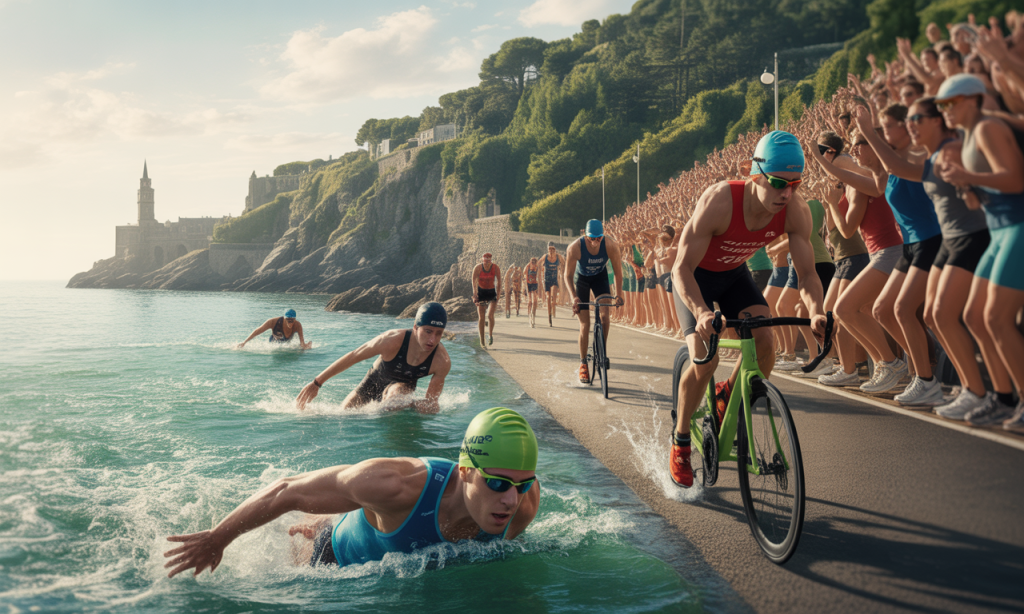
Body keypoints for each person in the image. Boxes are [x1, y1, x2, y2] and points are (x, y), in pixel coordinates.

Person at [163, 407, 540, 576]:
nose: (510, 499)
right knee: (318, 533)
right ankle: (319, 525)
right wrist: (218, 537)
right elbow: (287, 490)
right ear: (466, 472)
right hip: (331, 558)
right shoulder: (395, 485)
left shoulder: (523, 505)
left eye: (521, 486)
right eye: (497, 483)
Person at [670, 130, 827, 488]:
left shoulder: (796, 211)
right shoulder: (720, 201)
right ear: (753, 173)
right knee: (704, 359)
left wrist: (817, 309)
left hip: (734, 276)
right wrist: (701, 312)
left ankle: (728, 396)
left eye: (795, 184)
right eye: (777, 183)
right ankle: (680, 441)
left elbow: (807, 274)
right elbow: (680, 268)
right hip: (695, 279)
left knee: (766, 343)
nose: (786, 193)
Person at [937, 74, 1024, 429]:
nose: (945, 111)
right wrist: (966, 184)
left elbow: (1016, 180)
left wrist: (969, 176)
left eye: (950, 104)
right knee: (974, 316)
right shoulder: (969, 136)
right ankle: (1002, 398)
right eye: (941, 105)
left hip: (1017, 226)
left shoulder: (987, 128)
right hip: (1000, 229)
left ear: (973, 100)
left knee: (996, 318)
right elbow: (983, 195)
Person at [294, 303, 451, 413]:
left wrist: (416, 405)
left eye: (439, 333)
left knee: (396, 398)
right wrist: (317, 383)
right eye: (428, 331)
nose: (433, 340)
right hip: (372, 381)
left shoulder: (441, 361)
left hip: (402, 389)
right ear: (416, 327)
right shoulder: (391, 340)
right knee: (342, 414)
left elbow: (432, 405)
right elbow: (354, 356)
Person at [564, 220, 623, 384]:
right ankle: (583, 363)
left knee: (605, 316)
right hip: (581, 279)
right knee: (585, 324)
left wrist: (619, 294)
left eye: (599, 238)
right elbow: (567, 276)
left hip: (600, 278)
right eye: (592, 238)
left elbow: (618, 273)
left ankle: (601, 352)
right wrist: (573, 296)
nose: (596, 241)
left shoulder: (610, 245)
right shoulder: (575, 248)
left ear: (602, 236)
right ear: (586, 236)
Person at [237, 309, 312, 349]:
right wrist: (244, 342)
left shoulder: (297, 325)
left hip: (287, 344)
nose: (290, 323)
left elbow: (302, 343)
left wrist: (306, 347)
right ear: (284, 318)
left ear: (295, 319)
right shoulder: (273, 322)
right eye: (288, 320)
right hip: (274, 342)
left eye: (292, 320)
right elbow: (258, 331)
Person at [472, 253, 501, 347]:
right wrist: (475, 294)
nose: (487, 264)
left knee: (490, 315)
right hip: (481, 292)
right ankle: (482, 341)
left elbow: (499, 283)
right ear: (482, 261)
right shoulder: (477, 268)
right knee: (481, 317)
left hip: (491, 292)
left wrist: (498, 295)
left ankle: (490, 334)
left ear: (491, 261)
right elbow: (474, 282)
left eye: (488, 263)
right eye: (485, 262)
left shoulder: (496, 268)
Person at [541, 242, 564, 326]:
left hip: (554, 279)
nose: (551, 250)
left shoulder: (558, 257)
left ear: (555, 249)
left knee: (553, 297)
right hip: (546, 279)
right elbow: (538, 263)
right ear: (547, 249)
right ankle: (549, 316)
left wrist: (563, 270)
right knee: (548, 297)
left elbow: (565, 263)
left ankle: (553, 304)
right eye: (550, 249)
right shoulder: (545, 256)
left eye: (553, 249)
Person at [525, 257, 540, 328]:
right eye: (532, 261)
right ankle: (529, 316)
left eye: (534, 261)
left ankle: (533, 315)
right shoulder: (527, 268)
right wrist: (528, 264)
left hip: (535, 284)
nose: (533, 263)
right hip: (528, 284)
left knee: (535, 301)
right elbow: (524, 273)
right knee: (530, 301)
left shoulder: (537, 268)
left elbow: (539, 277)